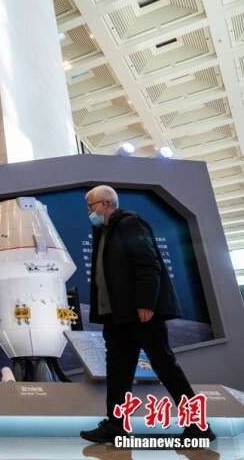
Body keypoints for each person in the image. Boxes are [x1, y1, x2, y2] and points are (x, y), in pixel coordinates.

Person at [79, 185, 216, 444]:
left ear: (106, 203)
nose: (89, 211)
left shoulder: (130, 224)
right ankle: (116, 425)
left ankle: (198, 426)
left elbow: (148, 265)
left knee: (165, 365)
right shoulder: (103, 231)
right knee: (118, 371)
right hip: (116, 317)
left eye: (91, 206)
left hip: (141, 314)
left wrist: (146, 303)